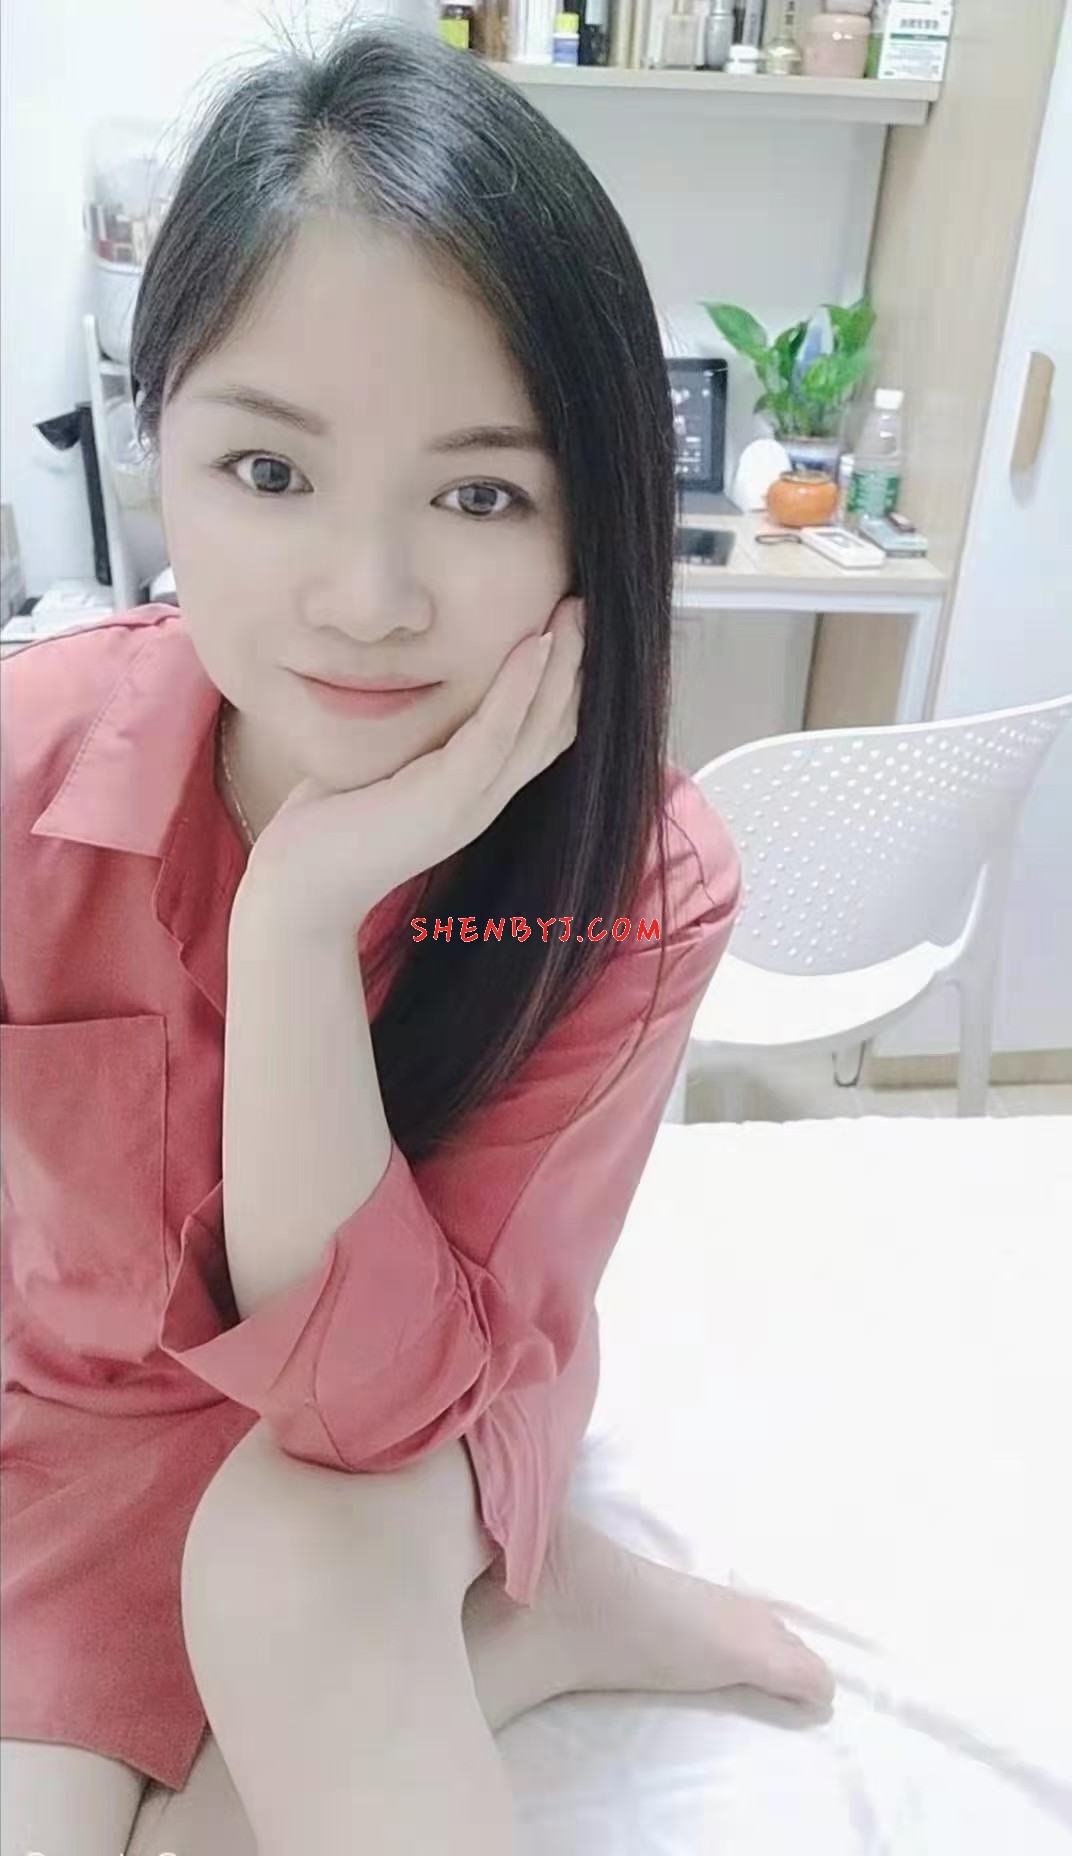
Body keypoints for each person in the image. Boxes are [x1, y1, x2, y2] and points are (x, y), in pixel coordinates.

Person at [0, 20, 834, 1855]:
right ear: (157, 448)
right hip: (89, 1437)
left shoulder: (632, 883)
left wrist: (299, 928)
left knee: (288, 1558)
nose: (366, 601)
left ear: (590, 523)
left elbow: (368, 1412)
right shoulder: (26, 766)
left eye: (478, 495)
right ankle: (534, 1628)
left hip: (414, 1434)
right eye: (268, 472)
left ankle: (522, 1599)